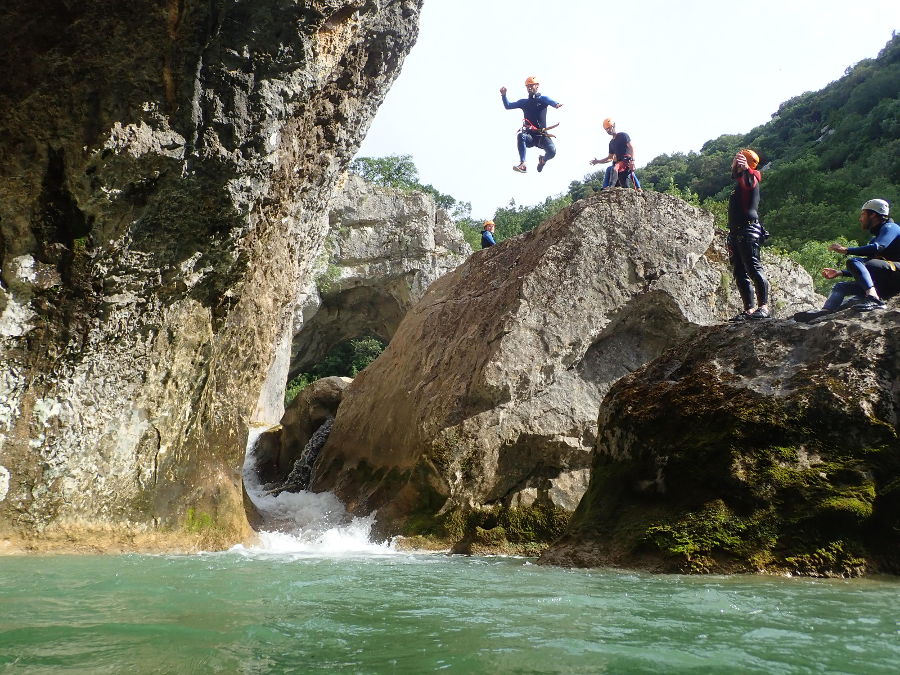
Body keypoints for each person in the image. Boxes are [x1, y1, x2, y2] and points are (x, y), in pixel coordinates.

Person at [794, 199, 899, 321]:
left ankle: (874, 298)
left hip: (896, 275)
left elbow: (879, 247)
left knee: (854, 261)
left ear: (873, 214)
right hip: (886, 282)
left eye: (863, 215)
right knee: (840, 286)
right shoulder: (876, 238)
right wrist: (841, 272)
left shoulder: (891, 227)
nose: (860, 219)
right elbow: (867, 267)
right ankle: (825, 312)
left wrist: (847, 250)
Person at [727, 149, 770, 321]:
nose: (734, 163)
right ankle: (750, 309)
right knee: (739, 271)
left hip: (748, 230)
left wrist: (745, 168)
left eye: (738, 161)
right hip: (736, 231)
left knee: (753, 267)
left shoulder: (752, 177)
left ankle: (764, 307)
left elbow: (750, 181)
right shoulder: (740, 183)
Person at [501, 76, 563, 174]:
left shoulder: (543, 99)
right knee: (521, 135)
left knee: (552, 151)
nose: (529, 88)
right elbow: (508, 106)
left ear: (537, 86)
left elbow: (551, 101)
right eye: (527, 86)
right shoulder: (524, 102)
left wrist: (556, 104)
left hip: (542, 136)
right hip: (530, 136)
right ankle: (522, 164)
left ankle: (543, 160)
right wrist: (504, 95)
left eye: (531, 85)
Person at [589, 118, 641, 190]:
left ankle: (611, 187)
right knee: (611, 170)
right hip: (619, 163)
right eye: (607, 129)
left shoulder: (623, 135)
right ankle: (605, 187)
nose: (609, 130)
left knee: (616, 168)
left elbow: (631, 148)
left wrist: (632, 161)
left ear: (614, 126)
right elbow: (610, 158)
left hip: (626, 160)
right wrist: (598, 161)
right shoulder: (611, 143)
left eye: (610, 128)